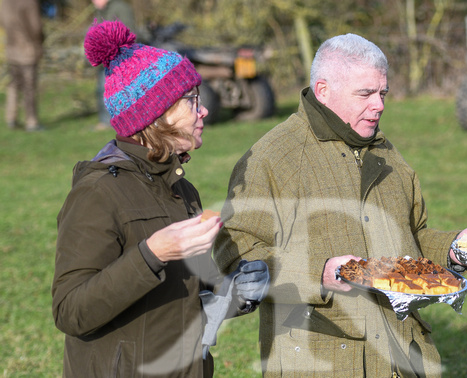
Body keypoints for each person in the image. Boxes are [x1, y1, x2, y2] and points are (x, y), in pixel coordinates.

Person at [213, 33, 467, 377]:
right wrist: (320, 274)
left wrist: (455, 250)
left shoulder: (386, 153)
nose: (379, 105)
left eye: (383, 92)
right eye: (366, 93)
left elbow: (412, 240)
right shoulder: (272, 157)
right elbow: (234, 254)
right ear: (324, 91)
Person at [51, 20, 269, 377]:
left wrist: (233, 294)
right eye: (191, 101)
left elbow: (187, 300)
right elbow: (70, 312)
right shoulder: (96, 192)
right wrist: (152, 254)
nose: (204, 111)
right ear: (156, 113)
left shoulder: (182, 190)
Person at [91, 0, 136, 131]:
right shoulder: (100, 11)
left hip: (119, 57)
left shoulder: (121, 8)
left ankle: (120, 121)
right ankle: (106, 121)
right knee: (102, 90)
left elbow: (129, 31)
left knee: (120, 91)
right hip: (103, 57)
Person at [0, 0, 44, 131]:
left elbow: (2, 21)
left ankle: (11, 117)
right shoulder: (29, 2)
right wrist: (39, 41)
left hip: (12, 48)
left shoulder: (5, 2)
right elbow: (36, 26)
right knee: (29, 86)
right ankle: (31, 121)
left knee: (14, 83)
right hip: (27, 48)